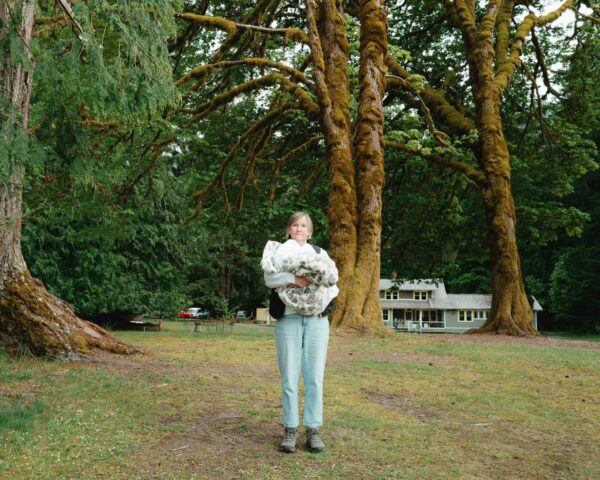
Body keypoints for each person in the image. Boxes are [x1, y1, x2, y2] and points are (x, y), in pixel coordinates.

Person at [262, 211, 338, 453]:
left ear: (310, 231)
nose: (299, 229)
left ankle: (313, 430)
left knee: (315, 377)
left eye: (304, 225)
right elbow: (269, 279)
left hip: (316, 321)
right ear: (289, 228)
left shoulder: (320, 254)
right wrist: (294, 278)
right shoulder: (280, 252)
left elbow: (332, 279)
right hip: (289, 320)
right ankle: (290, 430)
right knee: (289, 378)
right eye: (295, 225)